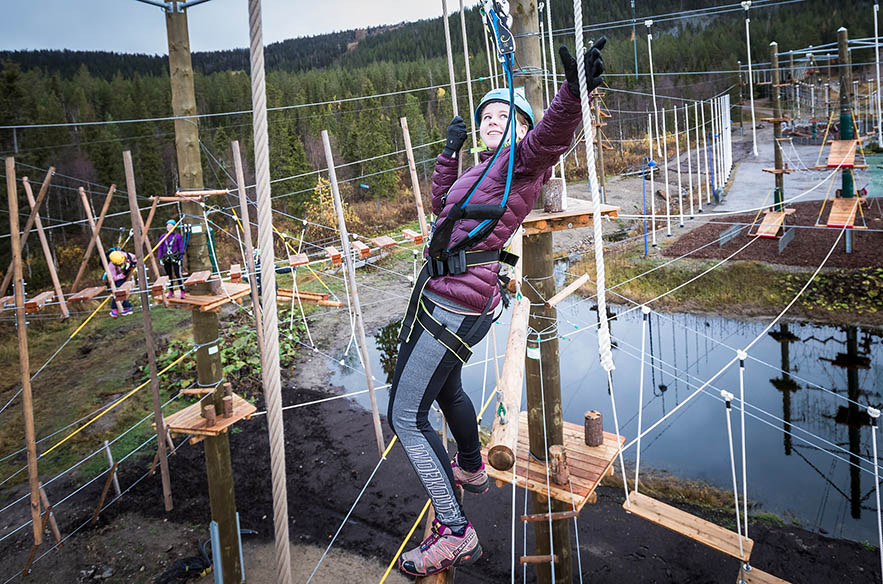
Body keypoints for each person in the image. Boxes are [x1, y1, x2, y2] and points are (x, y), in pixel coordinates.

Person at [390, 41, 606, 577]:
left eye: (504, 116)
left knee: (405, 415)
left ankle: (455, 531)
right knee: (443, 390)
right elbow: (445, 206)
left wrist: (574, 94)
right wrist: (449, 154)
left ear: (521, 128)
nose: (491, 122)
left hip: (453, 302)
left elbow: (550, 137)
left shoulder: (520, 162)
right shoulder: (484, 169)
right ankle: (469, 469)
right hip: (442, 293)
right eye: (486, 116)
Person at [157, 219, 185, 298]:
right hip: (166, 257)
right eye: (167, 226)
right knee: (169, 275)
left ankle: (182, 290)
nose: (169, 227)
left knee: (177, 274)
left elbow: (181, 247)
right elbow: (160, 247)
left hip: (175, 256)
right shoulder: (163, 236)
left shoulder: (177, 236)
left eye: (171, 226)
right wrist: (159, 258)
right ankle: (171, 291)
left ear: (174, 227)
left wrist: (181, 257)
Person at [107, 249, 136, 318]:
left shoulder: (127, 255)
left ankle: (124, 307)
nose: (121, 264)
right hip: (120, 277)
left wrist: (134, 263)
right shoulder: (111, 266)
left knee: (122, 291)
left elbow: (135, 259)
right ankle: (119, 308)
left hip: (128, 274)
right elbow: (112, 278)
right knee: (119, 291)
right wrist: (122, 275)